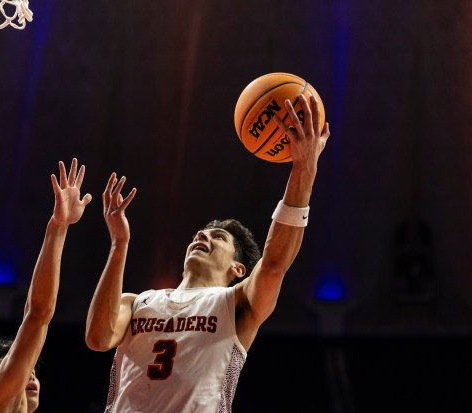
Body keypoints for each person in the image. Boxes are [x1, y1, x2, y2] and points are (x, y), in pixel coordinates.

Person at [85, 94, 330, 412]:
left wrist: (304, 169)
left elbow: (273, 264)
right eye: (200, 234)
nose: (202, 236)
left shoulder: (236, 303)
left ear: (238, 269)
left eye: (218, 237)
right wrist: (119, 245)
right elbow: (98, 338)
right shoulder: (136, 302)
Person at [0, 158, 93, 413]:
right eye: (12, 370)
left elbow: (35, 321)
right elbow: (37, 316)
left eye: (31, 368)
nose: (30, 374)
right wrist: (58, 227)